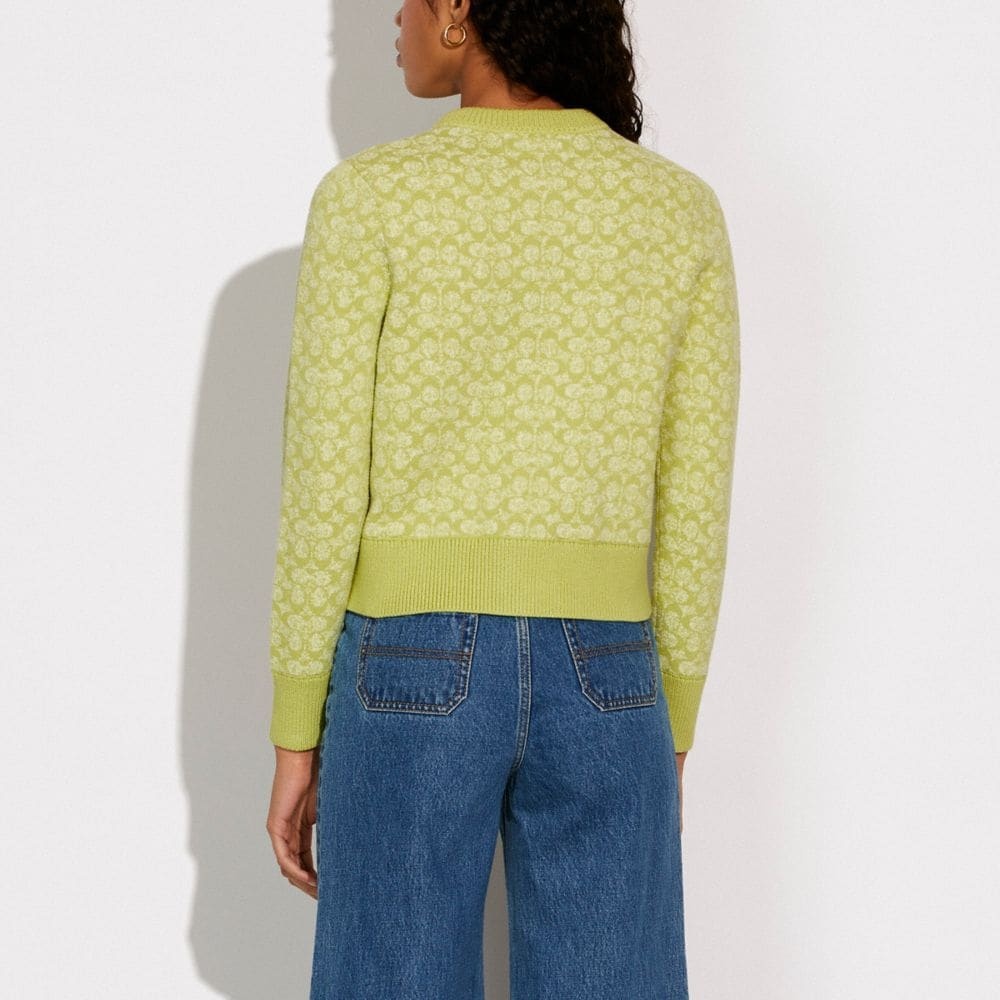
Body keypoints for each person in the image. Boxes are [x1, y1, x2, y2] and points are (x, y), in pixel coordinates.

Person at [265, 1, 741, 997]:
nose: (394, 20)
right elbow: (694, 495)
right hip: (612, 671)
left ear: (460, 11)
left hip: (407, 661)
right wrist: (673, 716)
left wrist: (296, 731)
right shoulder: (676, 210)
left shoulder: (369, 198)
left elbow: (322, 484)